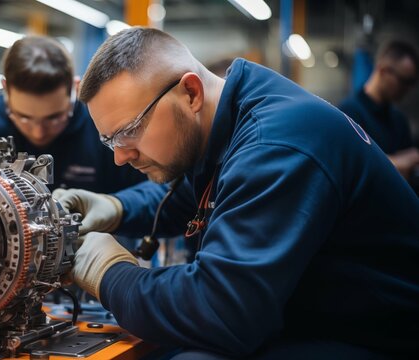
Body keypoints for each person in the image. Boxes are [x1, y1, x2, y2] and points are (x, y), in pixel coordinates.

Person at [54, 28, 419, 359]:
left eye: (128, 131)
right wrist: (115, 207)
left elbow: (220, 312)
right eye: (108, 140)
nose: (120, 157)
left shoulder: (276, 146)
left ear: (191, 93)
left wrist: (109, 273)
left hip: (378, 338)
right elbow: (192, 199)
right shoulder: (231, 120)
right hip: (320, 316)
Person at [0, 36, 146, 193]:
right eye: (24, 117)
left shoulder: (103, 124)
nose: (38, 133)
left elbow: (149, 193)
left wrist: (113, 208)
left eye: (54, 118)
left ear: (76, 88)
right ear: (6, 89)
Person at [339, 40, 419, 182]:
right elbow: (349, 166)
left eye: (411, 82)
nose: (407, 89)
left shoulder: (399, 120)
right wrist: (395, 162)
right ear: (383, 70)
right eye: (403, 80)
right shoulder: (349, 113)